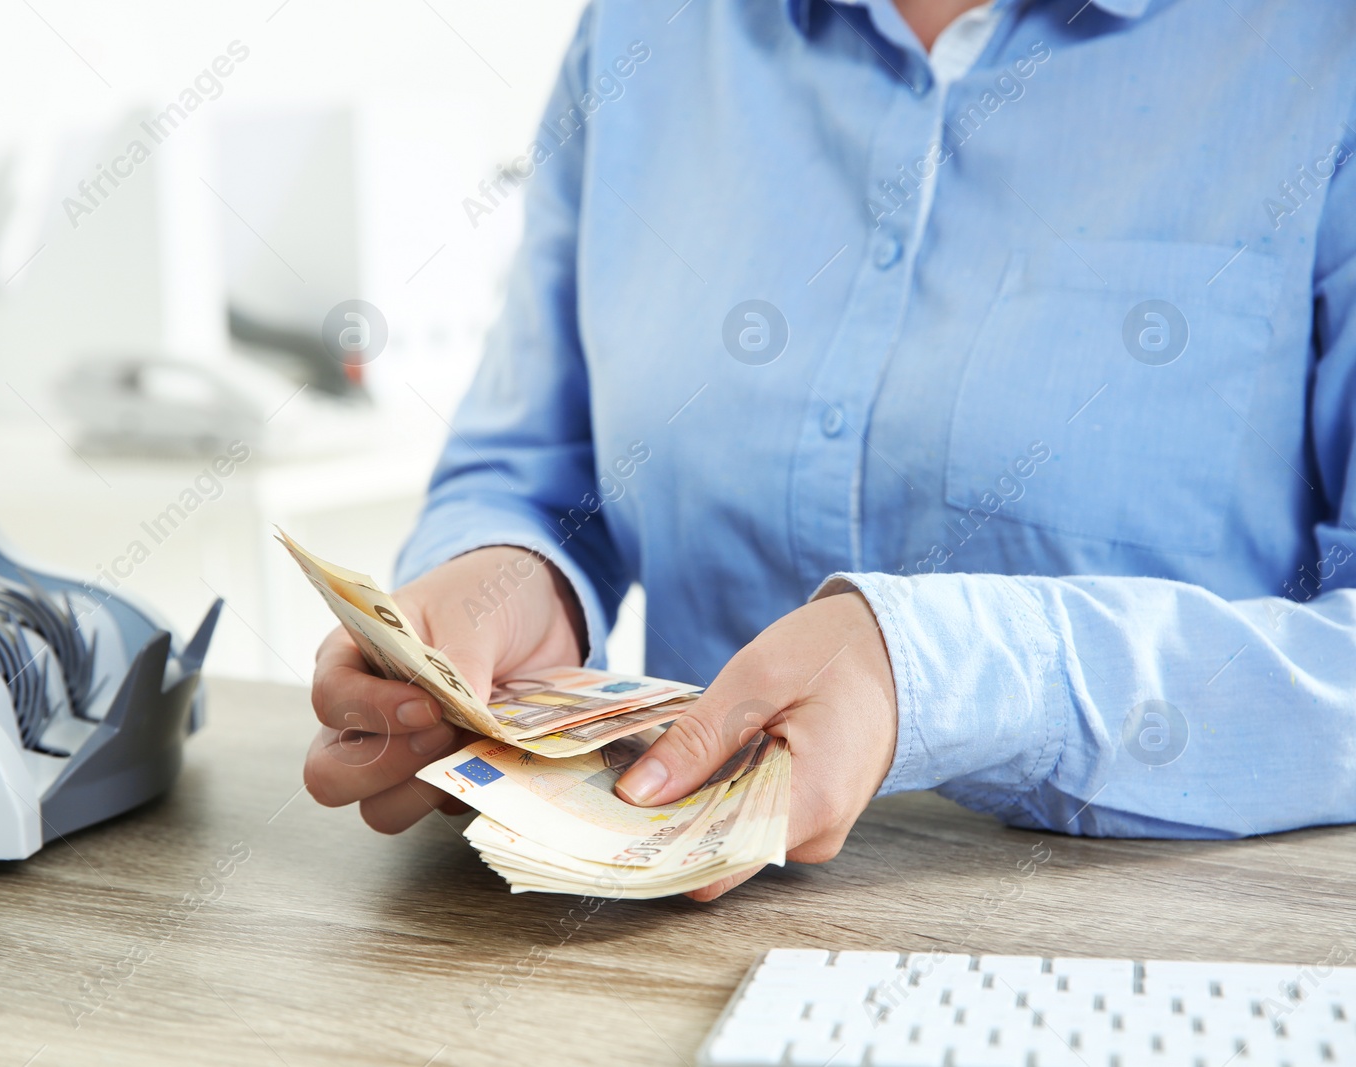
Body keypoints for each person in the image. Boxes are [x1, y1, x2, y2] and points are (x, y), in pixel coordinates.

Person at [302, 0, 1356, 901]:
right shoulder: (646, 32)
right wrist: (505, 580)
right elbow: (528, 465)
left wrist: (939, 675)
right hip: (655, 939)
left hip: (1154, 964)